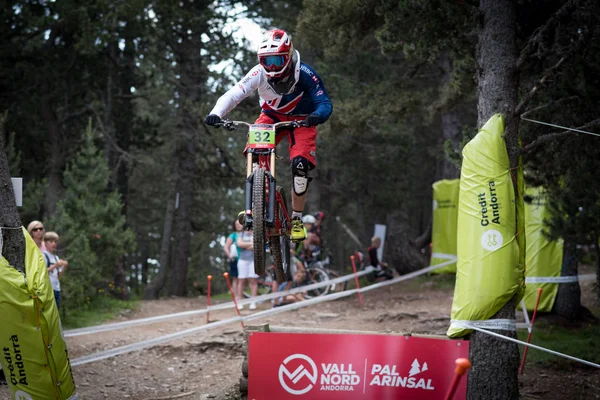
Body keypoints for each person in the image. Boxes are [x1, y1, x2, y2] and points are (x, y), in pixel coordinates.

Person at [204, 28, 333, 243]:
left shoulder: (305, 73)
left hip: (302, 120)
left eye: (277, 59)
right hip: (271, 116)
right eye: (267, 60)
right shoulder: (258, 73)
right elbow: (235, 94)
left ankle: (297, 219)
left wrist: (317, 116)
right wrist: (216, 113)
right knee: (254, 153)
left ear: (289, 55)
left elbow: (324, 102)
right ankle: (256, 202)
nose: (272, 66)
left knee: (300, 168)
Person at [42, 231, 68, 309]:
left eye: (55, 242)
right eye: (51, 241)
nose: (54, 244)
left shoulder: (56, 257)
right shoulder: (43, 255)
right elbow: (42, 272)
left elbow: (58, 277)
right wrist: (55, 265)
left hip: (57, 288)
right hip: (48, 289)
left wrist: (64, 267)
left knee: (56, 311)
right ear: (45, 243)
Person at [236, 220, 258, 310]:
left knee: (253, 281)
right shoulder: (241, 234)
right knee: (241, 281)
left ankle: (253, 301)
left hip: (253, 260)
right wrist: (251, 245)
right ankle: (240, 301)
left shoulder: (256, 234)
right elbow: (239, 244)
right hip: (242, 260)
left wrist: (246, 245)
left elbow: (257, 244)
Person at [224, 216, 243, 299]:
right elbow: (226, 247)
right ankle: (236, 296)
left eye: (240, 224)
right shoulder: (233, 235)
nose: (238, 226)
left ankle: (240, 295)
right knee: (236, 278)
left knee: (243, 279)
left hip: (245, 259)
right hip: (235, 260)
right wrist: (230, 256)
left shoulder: (246, 234)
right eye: (236, 224)